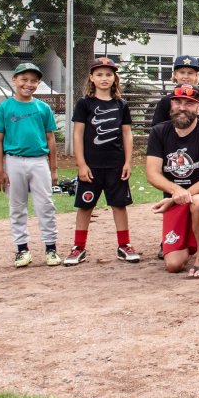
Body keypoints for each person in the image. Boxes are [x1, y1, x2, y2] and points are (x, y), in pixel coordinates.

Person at [151, 54, 199, 258]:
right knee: (173, 262)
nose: (186, 76)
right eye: (182, 72)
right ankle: (169, 239)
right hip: (176, 173)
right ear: (174, 75)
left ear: (197, 77)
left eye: (190, 73)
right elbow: (159, 133)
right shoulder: (166, 104)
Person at [64, 57, 138, 265]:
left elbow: (127, 134)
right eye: (99, 74)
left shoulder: (121, 104)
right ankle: (78, 247)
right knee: (85, 206)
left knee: (119, 205)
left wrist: (127, 162)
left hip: (116, 164)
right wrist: (81, 164)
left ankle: (124, 245)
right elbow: (78, 135)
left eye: (108, 74)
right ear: (91, 78)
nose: (104, 78)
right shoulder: (84, 103)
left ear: (114, 78)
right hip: (92, 166)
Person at [145, 85, 199, 278]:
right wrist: (176, 192)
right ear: (171, 104)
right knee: (173, 264)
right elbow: (152, 173)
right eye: (178, 102)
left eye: (189, 103)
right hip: (177, 196)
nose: (182, 107)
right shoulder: (159, 132)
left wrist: (176, 197)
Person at [0, 62, 60, 268]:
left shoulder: (42, 107)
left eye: (33, 81)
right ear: (14, 80)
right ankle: (22, 249)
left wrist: (53, 168)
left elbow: (50, 139)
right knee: (17, 206)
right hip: (13, 160)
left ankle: (51, 248)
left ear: (38, 83)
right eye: (24, 79)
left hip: (39, 160)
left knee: (46, 205)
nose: (28, 84)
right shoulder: (5, 108)